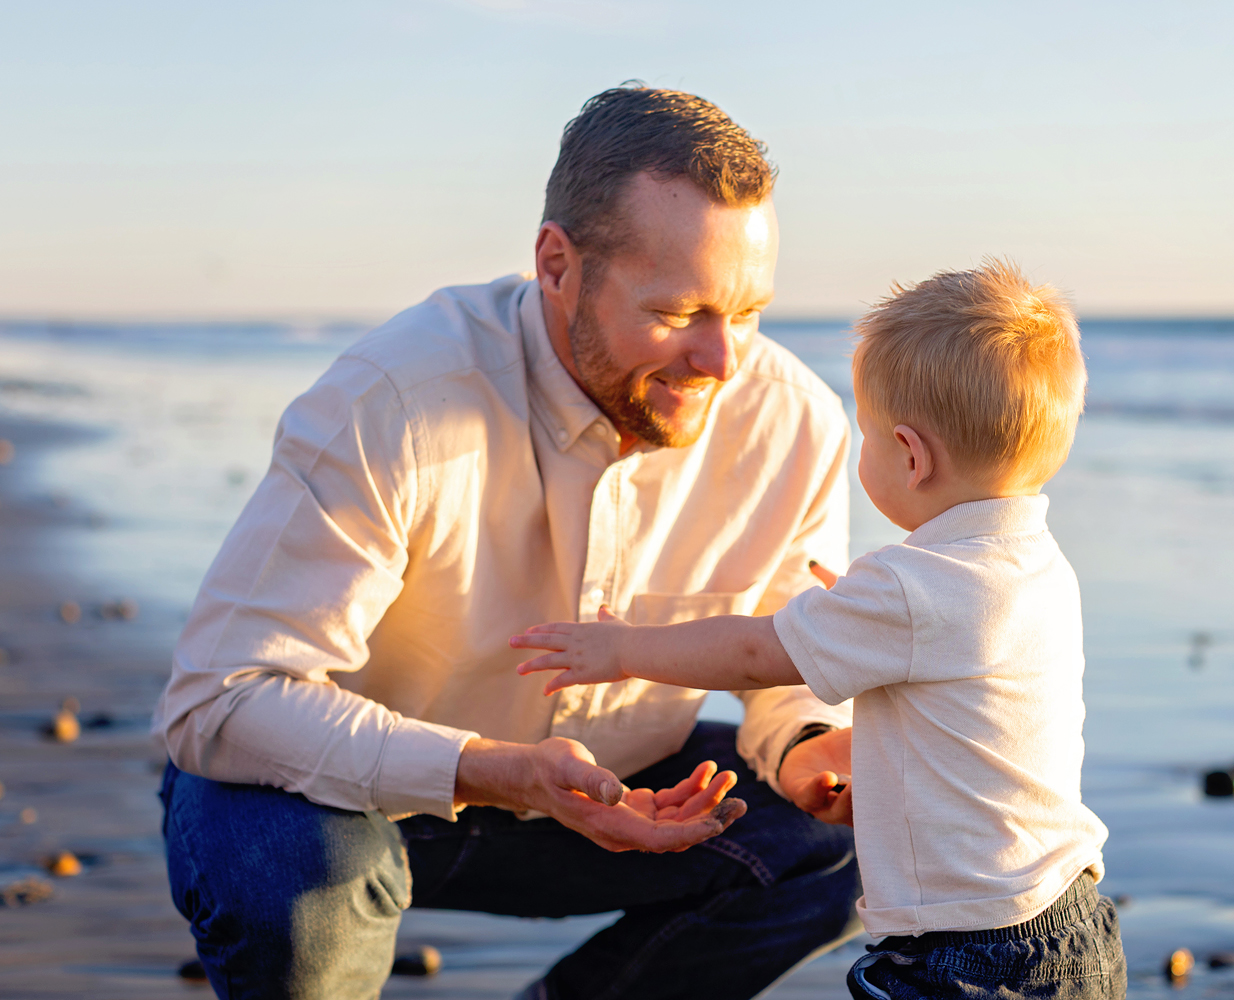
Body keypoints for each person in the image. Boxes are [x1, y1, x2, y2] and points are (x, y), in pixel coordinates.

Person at [152, 85, 862, 1000]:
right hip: (337, 794)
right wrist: (488, 770)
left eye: (749, 311)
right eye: (680, 312)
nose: (723, 362)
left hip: (618, 794)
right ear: (557, 264)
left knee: (848, 846)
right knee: (301, 890)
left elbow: (784, 659)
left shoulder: (792, 422)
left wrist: (808, 744)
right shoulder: (394, 399)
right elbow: (221, 699)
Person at [512, 260, 1128, 999]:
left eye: (866, 436)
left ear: (909, 455)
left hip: (970, 952)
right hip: (1067, 924)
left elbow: (752, 651)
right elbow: (971, 726)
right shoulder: (1035, 570)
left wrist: (625, 647)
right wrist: (846, 714)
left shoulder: (912, 588)